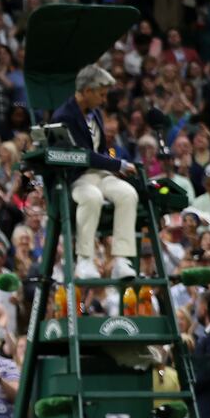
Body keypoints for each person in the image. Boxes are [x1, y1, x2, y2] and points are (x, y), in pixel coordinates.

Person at [51, 65, 138, 280]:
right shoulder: (63, 116)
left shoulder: (96, 113)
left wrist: (113, 168)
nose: (104, 99)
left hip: (99, 174)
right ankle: (85, 260)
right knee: (92, 197)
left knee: (128, 194)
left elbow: (97, 152)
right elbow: (82, 155)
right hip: (75, 178)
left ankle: (120, 259)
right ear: (87, 90)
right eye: (101, 94)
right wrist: (118, 164)